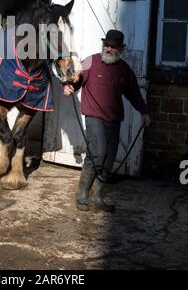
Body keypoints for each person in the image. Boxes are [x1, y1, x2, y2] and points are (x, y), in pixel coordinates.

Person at [63, 29, 151, 213]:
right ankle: (82, 195)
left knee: (109, 158)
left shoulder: (124, 70)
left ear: (122, 49)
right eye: (107, 45)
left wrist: (144, 112)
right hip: (94, 116)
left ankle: (98, 197)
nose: (109, 49)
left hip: (114, 119)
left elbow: (134, 94)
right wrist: (69, 86)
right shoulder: (91, 61)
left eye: (114, 47)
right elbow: (76, 77)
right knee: (97, 153)